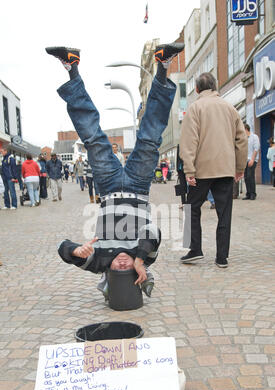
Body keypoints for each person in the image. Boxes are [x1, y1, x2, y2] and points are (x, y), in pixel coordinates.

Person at [45, 42, 184, 302]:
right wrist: (140, 259)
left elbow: (61, 249)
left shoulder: (99, 259)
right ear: (138, 271)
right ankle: (163, 66)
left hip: (108, 186)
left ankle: (71, 67)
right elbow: (154, 232)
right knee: (150, 137)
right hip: (139, 185)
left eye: (116, 270)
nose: (122, 264)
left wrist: (77, 251)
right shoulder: (145, 256)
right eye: (128, 270)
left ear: (106, 273)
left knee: (93, 137)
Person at [179, 72, 247, 268]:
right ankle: (222, 257)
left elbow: (189, 141)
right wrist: (239, 167)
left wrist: (189, 171)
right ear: (215, 87)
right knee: (224, 212)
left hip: (202, 170)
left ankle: (194, 249)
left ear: (198, 89)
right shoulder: (230, 108)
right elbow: (241, 140)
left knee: (191, 208)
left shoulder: (195, 108)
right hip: (225, 169)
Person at [242, 124, 260, 201]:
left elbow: (256, 149)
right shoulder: (244, 138)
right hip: (245, 160)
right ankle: (248, 194)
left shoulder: (254, 137)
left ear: (246, 129)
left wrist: (252, 159)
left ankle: (253, 194)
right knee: (246, 177)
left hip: (252, 159)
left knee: (250, 176)